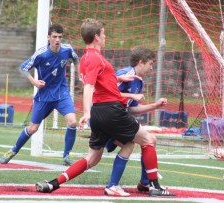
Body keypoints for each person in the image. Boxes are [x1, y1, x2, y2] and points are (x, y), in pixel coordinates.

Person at [35, 18, 175, 197]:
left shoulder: (86, 57)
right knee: (148, 140)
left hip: (100, 113)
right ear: (96, 37)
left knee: (93, 158)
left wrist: (117, 79)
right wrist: (85, 112)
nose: (105, 37)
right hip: (111, 110)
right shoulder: (94, 58)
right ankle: (153, 186)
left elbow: (98, 81)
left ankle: (54, 183)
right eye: (103, 34)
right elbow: (89, 86)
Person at [0, 24, 79, 166]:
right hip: (44, 97)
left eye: (60, 37)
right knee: (33, 128)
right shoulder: (41, 54)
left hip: (62, 94)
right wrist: (34, 82)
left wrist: (82, 74)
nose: (57, 40)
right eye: (54, 37)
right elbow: (23, 68)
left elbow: (76, 59)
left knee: (73, 122)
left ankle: (66, 156)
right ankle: (13, 150)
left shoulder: (67, 50)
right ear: (48, 38)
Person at [104, 46, 168, 196]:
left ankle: (143, 183)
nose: (152, 68)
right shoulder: (125, 74)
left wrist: (155, 105)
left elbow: (132, 109)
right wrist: (130, 96)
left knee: (132, 144)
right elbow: (106, 92)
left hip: (118, 119)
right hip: (107, 118)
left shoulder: (139, 83)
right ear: (141, 62)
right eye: (150, 64)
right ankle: (149, 184)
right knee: (148, 139)